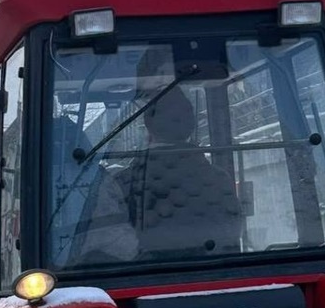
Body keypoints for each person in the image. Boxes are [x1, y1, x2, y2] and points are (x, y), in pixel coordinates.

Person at [78, 86, 242, 263]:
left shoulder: (118, 184)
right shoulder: (220, 179)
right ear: (191, 126)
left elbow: (103, 238)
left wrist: (148, 258)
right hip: (218, 274)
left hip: (138, 280)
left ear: (148, 127)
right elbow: (230, 233)